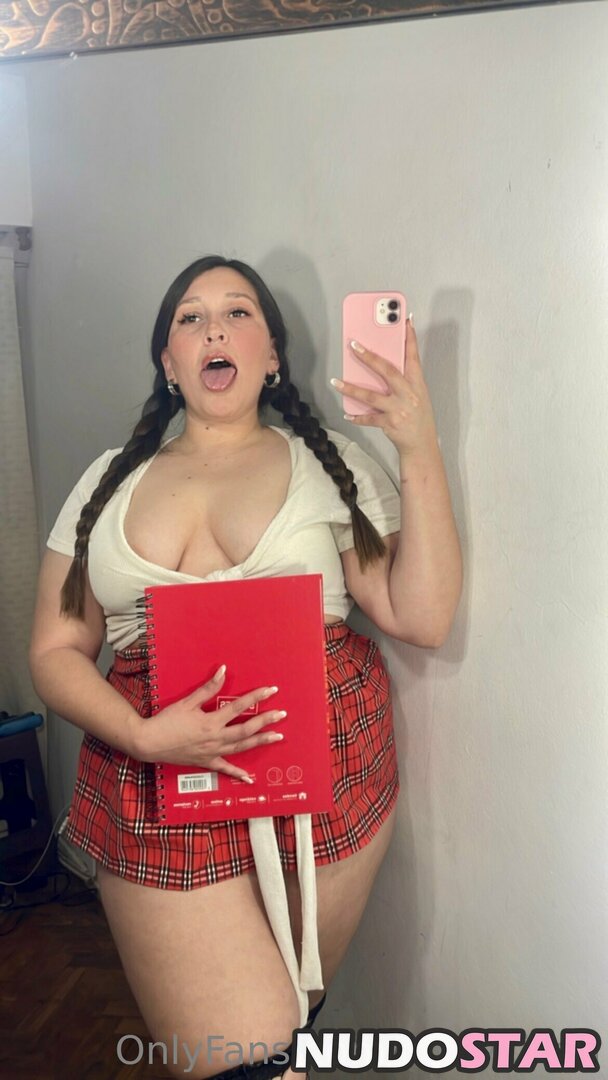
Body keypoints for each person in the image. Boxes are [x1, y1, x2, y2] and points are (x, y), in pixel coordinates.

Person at [29, 256, 462, 1080]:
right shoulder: (106, 482)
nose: (213, 329)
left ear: (271, 356)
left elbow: (423, 615)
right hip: (154, 777)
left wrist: (418, 444)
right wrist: (144, 736)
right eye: (190, 318)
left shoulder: (328, 463)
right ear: (169, 361)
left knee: (290, 1024)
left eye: (237, 312)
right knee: (246, 1061)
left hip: (325, 769)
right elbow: (54, 652)